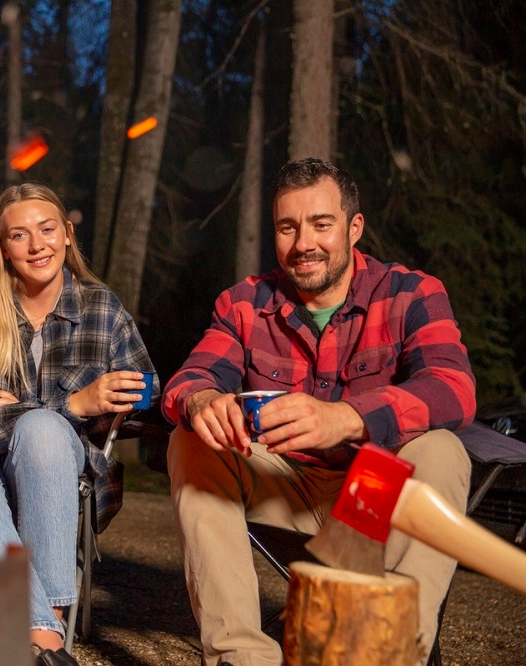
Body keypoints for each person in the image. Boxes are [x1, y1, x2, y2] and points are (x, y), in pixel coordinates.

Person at [162, 158, 476, 666]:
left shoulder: (410, 293)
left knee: (442, 449)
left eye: (321, 224)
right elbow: (189, 380)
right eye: (288, 227)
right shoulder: (244, 303)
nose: (303, 242)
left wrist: (346, 418)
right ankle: (241, 657)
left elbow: (454, 388)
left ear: (354, 227)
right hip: (284, 485)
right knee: (191, 437)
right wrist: (201, 401)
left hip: (372, 494)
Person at [0, 183, 158, 666]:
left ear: (68, 235)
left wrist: (36, 409)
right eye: (19, 235)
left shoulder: (102, 308)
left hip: (55, 466)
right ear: (3, 249)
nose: (37, 245)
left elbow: (147, 388)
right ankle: (48, 639)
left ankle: (39, 628)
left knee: (40, 431)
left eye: (47, 229)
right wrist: (75, 404)